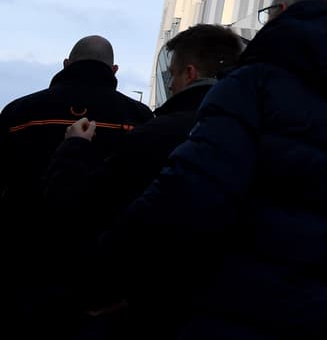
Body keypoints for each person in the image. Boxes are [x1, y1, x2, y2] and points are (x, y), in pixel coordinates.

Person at [85, 0, 327, 338]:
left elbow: (187, 195)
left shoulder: (250, 88)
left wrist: (105, 274)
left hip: (248, 320)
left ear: (280, 13)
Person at [42, 24, 245, 338]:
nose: (171, 85)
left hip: (142, 311)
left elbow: (76, 211)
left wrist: (75, 147)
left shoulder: (155, 134)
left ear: (189, 73)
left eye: (172, 75)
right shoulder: (254, 136)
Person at [0, 34, 153, 336]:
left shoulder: (18, 112)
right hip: (99, 277)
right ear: (115, 71)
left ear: (67, 64)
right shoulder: (139, 119)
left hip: (23, 264)